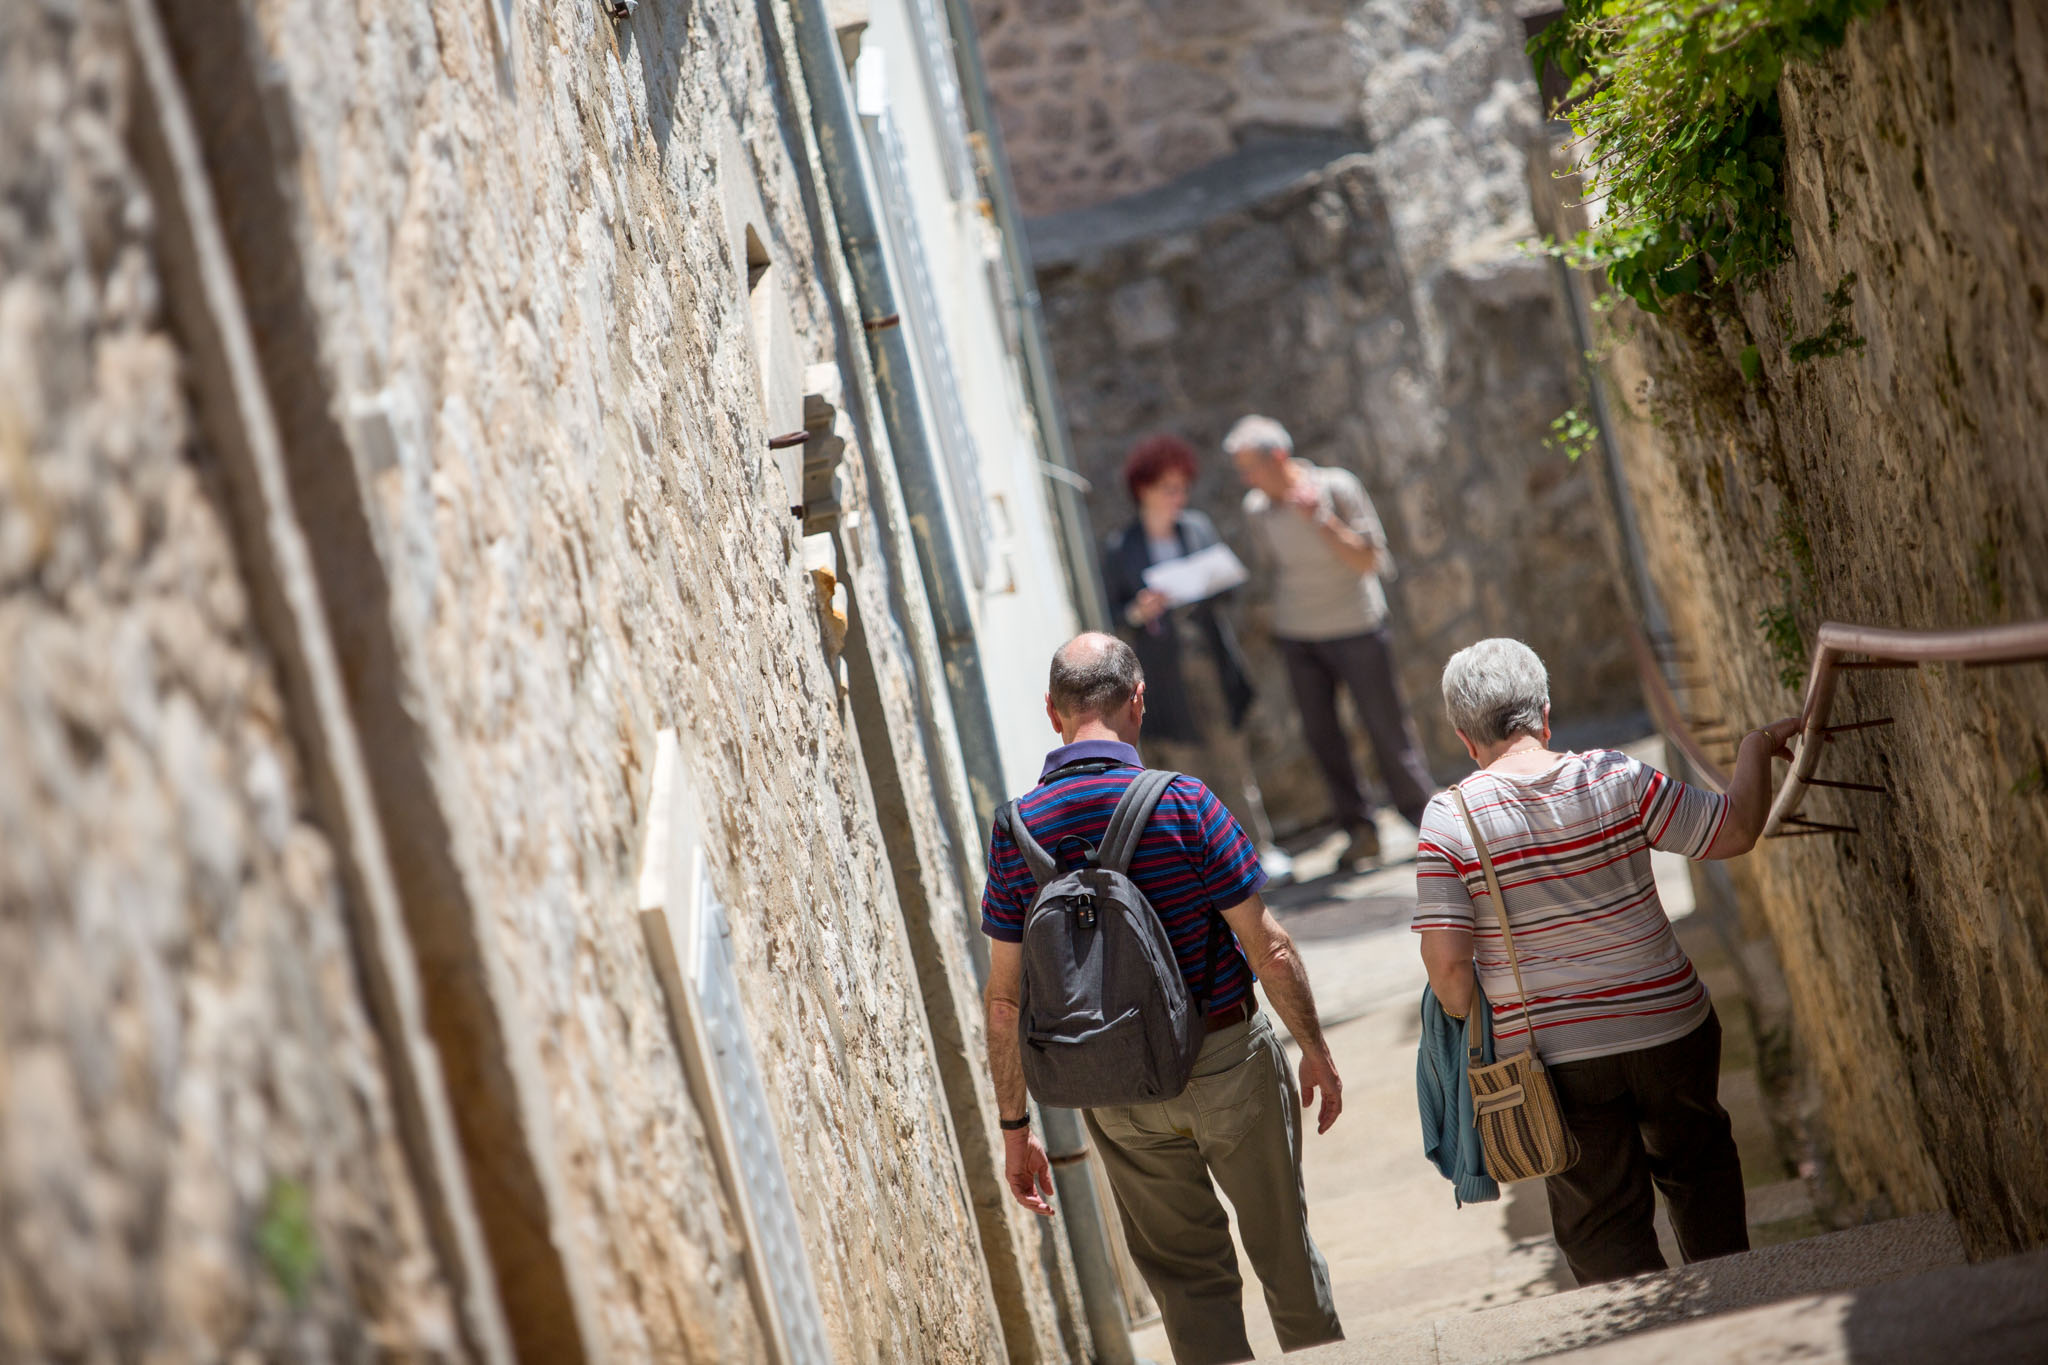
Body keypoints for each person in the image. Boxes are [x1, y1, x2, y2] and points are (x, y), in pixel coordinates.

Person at [982, 634, 1345, 1365]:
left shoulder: (1017, 829)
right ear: (1137, 701)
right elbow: (1268, 946)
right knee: (1284, 1255)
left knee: (1188, 1285)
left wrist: (1016, 1126)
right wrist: (1315, 1049)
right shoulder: (1184, 802)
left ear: (1053, 713)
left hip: (1114, 1087)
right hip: (1226, 1064)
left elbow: (1004, 1001)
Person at [1412, 637, 1801, 1286]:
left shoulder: (1450, 822)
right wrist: (1755, 748)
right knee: (1701, 1170)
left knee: (1600, 1218)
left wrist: (1483, 1014)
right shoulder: (1615, 775)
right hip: (1671, 1026)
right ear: (1544, 712)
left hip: (1554, 1056)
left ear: (1463, 736)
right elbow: (1732, 830)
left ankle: (1653, 1340)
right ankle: (1739, 1300)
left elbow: (1450, 974)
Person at [1227, 414, 1435, 867]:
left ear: (1278, 457)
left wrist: (1320, 519)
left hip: (1357, 625)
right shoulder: (1256, 509)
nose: (1246, 479)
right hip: (1298, 635)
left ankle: (1428, 826)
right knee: (1323, 737)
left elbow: (1369, 559)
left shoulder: (1336, 487)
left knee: (1387, 727)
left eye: (1250, 468)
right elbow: (1272, 567)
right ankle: (1360, 831)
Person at [1102, 433, 1291, 883]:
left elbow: (1229, 587)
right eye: (1170, 487)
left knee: (1233, 757)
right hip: (1164, 676)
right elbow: (1114, 615)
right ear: (1144, 488)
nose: (1179, 497)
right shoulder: (1120, 548)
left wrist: (1206, 582)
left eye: (1183, 487)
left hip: (1210, 662)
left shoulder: (1197, 527)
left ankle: (1259, 849)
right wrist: (1138, 610)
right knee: (1185, 772)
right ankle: (1211, 866)